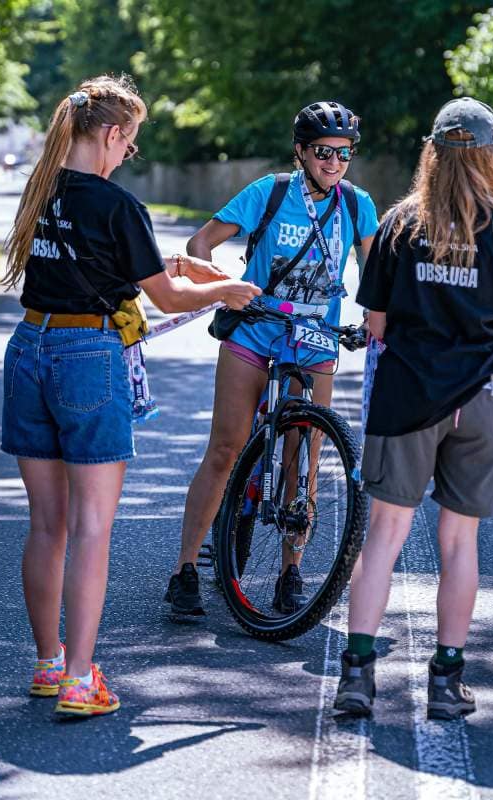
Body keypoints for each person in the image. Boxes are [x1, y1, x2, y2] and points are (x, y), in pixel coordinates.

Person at [0, 75, 260, 716]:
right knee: (92, 527)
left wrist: (169, 264)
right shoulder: (117, 205)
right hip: (88, 357)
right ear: (113, 134)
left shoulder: (39, 192)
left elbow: (92, 263)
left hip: (29, 347)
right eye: (130, 143)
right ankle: (83, 680)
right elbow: (165, 302)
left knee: (47, 524)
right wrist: (224, 292)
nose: (128, 155)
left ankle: (49, 663)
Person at [333, 97, 493, 719]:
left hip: (406, 396)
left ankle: (358, 677)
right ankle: (447, 680)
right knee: (460, 544)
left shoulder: (400, 226)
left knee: (384, 537)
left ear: (431, 153)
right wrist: (487, 358)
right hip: (480, 400)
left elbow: (375, 323)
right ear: (492, 157)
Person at [164, 101, 379, 617]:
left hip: (316, 337)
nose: (334, 163)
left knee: (303, 459)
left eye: (344, 154)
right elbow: (201, 242)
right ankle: (186, 570)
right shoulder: (271, 191)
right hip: (256, 329)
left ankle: (290, 572)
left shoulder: (356, 204)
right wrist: (221, 286)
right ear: (301, 152)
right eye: (323, 153)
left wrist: (375, 317)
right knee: (226, 446)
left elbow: (376, 274)